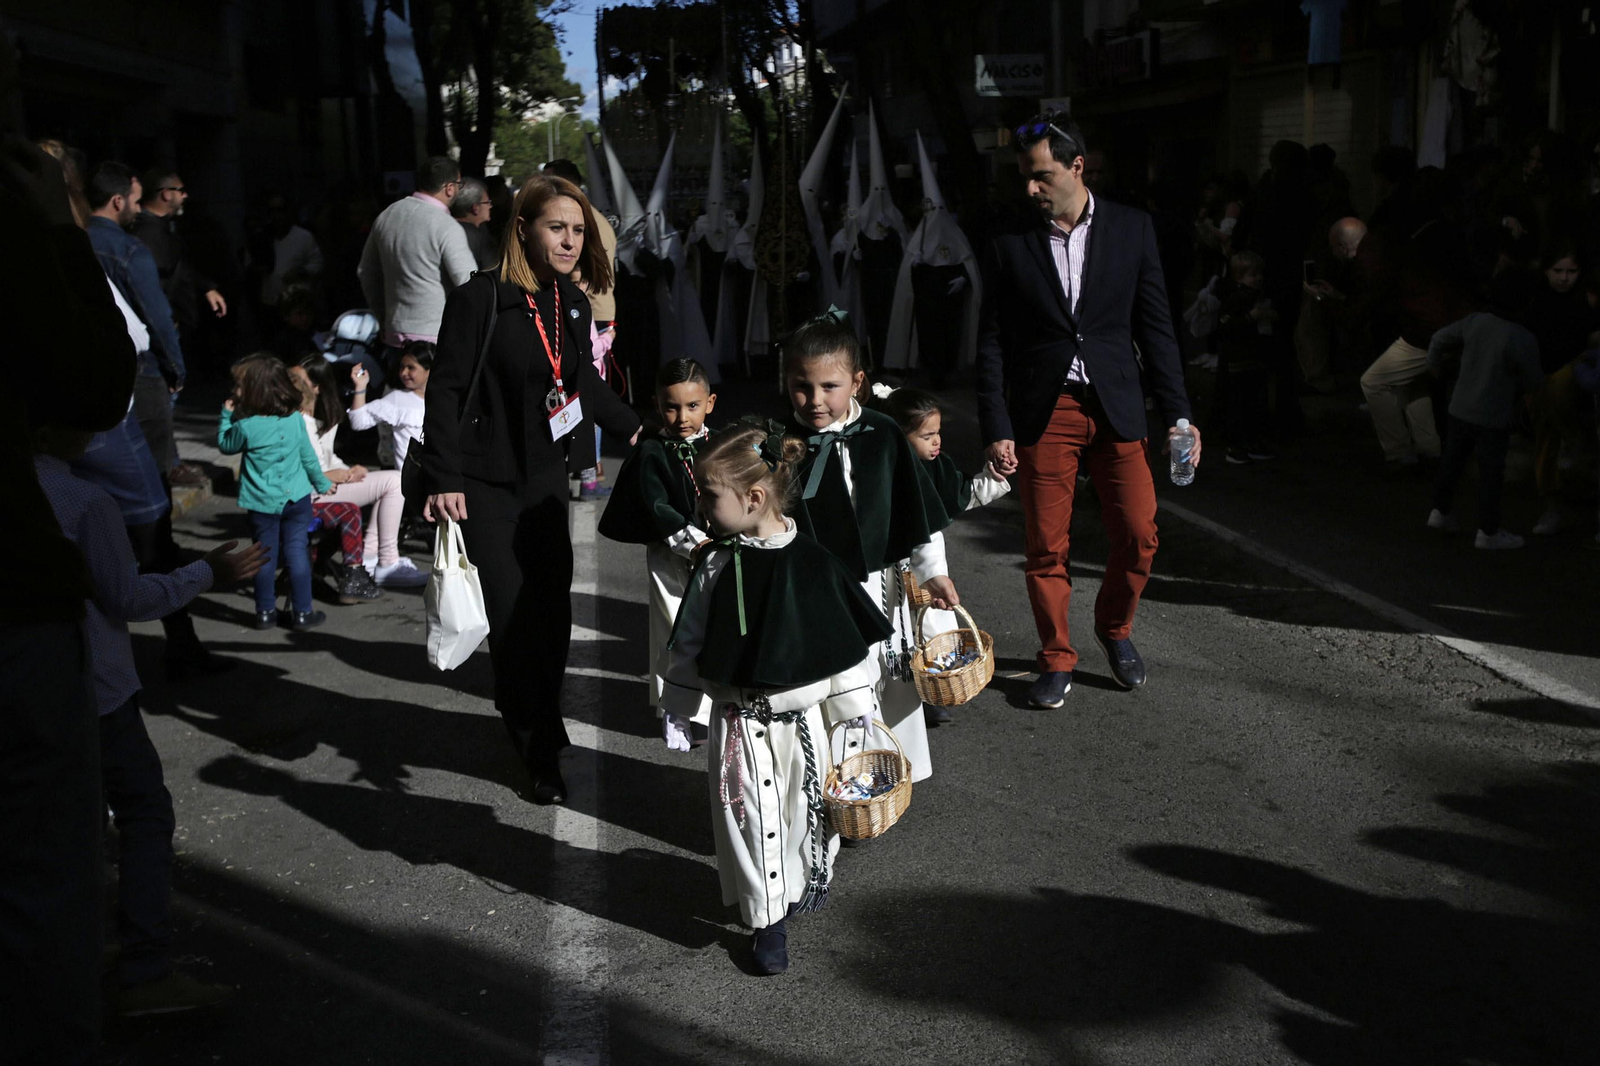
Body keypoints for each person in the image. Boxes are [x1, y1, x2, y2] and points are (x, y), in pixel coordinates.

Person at [419, 174, 641, 805]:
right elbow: (447, 388)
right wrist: (445, 477)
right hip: (487, 486)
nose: (570, 241)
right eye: (557, 228)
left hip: (547, 483)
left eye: (578, 231)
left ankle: (539, 710)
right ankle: (535, 742)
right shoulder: (481, 298)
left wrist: (641, 429)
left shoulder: (570, 302)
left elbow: (585, 387)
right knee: (514, 618)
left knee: (552, 614)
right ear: (523, 229)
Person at [32, 422, 266, 1017]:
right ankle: (144, 966)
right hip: (94, 688)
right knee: (141, 810)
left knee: (55, 824)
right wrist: (207, 572)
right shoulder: (84, 501)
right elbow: (129, 598)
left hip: (27, 688)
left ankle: (65, 954)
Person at [976, 112, 1196, 708]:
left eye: (1041, 175)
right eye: (1024, 176)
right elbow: (991, 341)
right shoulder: (1008, 238)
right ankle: (1055, 657)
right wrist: (997, 426)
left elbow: (1157, 329)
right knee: (1047, 545)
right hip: (1046, 411)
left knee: (1141, 534)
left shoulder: (1131, 230)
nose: (1030, 188)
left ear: (1078, 167)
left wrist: (1179, 413)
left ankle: (1115, 629)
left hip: (1117, 405)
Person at [658, 423, 890, 975]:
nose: (702, 507)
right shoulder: (716, 564)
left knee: (803, 819)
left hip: (804, 725)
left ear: (754, 498)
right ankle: (769, 924)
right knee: (750, 815)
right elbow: (689, 636)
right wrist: (681, 707)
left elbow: (844, 649)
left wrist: (855, 717)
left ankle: (794, 889)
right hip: (739, 723)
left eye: (710, 497)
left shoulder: (812, 563)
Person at [2, 118, 137, 1066]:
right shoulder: (24, 226)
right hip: (10, 597)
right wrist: (57, 225)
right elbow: (91, 377)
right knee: (44, 869)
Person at [783, 311, 955, 784]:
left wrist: (933, 571)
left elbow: (915, 514)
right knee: (840, 686)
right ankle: (851, 780)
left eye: (829, 387)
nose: (815, 401)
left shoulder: (882, 435)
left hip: (879, 583)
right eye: (801, 386)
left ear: (857, 382)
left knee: (887, 675)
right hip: (816, 591)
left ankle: (894, 771)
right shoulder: (777, 440)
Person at [877, 385, 1010, 725]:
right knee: (893, 632)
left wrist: (992, 479)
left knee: (929, 628)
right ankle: (894, 694)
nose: (936, 442)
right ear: (899, 436)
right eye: (926, 435)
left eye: (938, 433)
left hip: (928, 569)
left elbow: (961, 493)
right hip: (890, 569)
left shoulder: (936, 466)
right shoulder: (885, 471)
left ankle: (929, 687)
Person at [598, 359, 717, 713]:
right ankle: (678, 710)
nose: (683, 417)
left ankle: (715, 706)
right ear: (657, 406)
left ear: (710, 403)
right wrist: (694, 542)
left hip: (718, 556)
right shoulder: (651, 452)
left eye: (693, 406)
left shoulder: (723, 444)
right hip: (672, 560)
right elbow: (656, 506)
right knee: (674, 629)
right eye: (672, 407)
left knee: (715, 626)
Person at [218, 354, 333, 630]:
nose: (235, 391)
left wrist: (226, 415)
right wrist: (322, 483)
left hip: (261, 503)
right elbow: (308, 457)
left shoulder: (245, 427)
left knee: (264, 555)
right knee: (297, 552)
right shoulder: (295, 420)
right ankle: (303, 612)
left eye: (239, 386)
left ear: (254, 392)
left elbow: (225, 444)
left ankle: (265, 612)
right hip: (297, 498)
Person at [87, 161, 186, 477]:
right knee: (152, 475)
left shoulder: (74, 240)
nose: (138, 208)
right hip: (140, 368)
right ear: (118, 201)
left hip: (96, 359)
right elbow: (157, 318)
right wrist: (175, 369)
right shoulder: (130, 249)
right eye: (135, 200)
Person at [1424, 296, 1543, 550]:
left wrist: (1433, 366)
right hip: (1493, 415)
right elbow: (1534, 381)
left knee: (1452, 462)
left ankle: (1440, 511)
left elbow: (1438, 339)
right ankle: (1488, 530)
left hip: (1460, 407)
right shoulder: (1521, 336)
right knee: (1490, 474)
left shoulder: (1475, 321)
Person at [288, 357, 406, 601]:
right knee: (394, 482)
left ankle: (372, 557)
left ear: (317, 387)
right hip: (310, 492)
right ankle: (385, 559)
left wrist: (350, 470)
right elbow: (304, 471)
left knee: (393, 481)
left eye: (299, 380)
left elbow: (326, 458)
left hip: (325, 484)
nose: (291, 385)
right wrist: (336, 475)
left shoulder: (319, 418)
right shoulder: (296, 420)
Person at [357, 157, 476, 357]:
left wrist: (383, 317)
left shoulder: (386, 216)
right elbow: (469, 283)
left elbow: (365, 272)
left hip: (395, 334)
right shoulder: (445, 225)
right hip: (436, 337)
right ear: (449, 188)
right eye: (459, 185)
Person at [1524, 245, 1600, 534]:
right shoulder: (1537, 300)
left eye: (1571, 271)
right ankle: (1552, 507)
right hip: (1543, 377)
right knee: (1546, 436)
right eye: (1558, 271)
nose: (1564, 278)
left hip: (1576, 375)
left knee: (1556, 391)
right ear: (1546, 271)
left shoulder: (1586, 300)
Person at [1215, 251, 1279, 464]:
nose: (1258, 278)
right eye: (1253, 274)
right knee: (1239, 405)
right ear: (1239, 277)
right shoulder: (1234, 298)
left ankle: (1254, 442)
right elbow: (1226, 327)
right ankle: (1236, 446)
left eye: (1259, 274)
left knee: (1257, 404)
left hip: (1257, 358)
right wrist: (1251, 317)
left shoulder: (1259, 296)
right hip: (1238, 362)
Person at [349, 340, 430, 480]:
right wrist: (360, 387)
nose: (404, 372)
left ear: (429, 370)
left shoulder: (444, 400)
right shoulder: (398, 398)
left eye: (411, 367)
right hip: (408, 482)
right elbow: (359, 422)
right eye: (402, 367)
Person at [256, 191, 324, 311]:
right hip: (270, 303)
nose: (277, 215)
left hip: (297, 306)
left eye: (280, 210)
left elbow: (318, 263)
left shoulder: (304, 236)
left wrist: (301, 271)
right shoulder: (263, 238)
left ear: (288, 211)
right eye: (272, 211)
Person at [452, 177, 499, 272]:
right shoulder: (482, 240)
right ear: (476, 208)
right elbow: (492, 274)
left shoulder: (443, 231)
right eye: (487, 202)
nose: (490, 206)